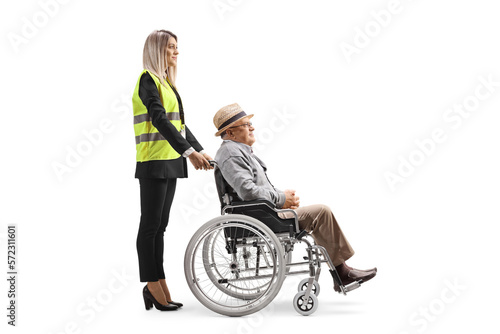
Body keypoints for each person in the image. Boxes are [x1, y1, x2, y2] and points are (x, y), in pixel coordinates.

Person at [213, 103, 376, 292]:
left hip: (262, 212)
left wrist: (283, 200)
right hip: (257, 216)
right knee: (322, 212)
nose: (252, 127)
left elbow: (253, 189)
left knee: (316, 214)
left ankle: (341, 272)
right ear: (231, 133)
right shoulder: (231, 153)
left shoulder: (238, 151)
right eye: (246, 124)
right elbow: (247, 191)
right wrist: (281, 199)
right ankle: (342, 273)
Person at [132, 30, 213, 311]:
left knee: (160, 227)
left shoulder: (167, 83)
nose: (176, 52)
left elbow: (178, 124)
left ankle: (159, 280)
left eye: (177, 48)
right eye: (171, 48)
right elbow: (158, 119)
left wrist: (199, 149)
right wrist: (189, 153)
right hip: (154, 161)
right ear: (157, 51)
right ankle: (152, 284)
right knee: (150, 226)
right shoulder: (148, 80)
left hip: (169, 161)